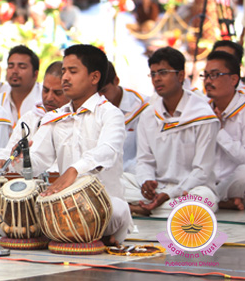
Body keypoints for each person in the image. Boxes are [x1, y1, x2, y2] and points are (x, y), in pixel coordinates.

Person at [6, 45, 131, 245]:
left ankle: (96, 234)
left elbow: (108, 151)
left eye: (73, 71)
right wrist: (23, 159)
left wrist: (74, 169)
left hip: (103, 206)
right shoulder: (55, 117)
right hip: (64, 207)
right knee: (22, 212)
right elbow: (38, 162)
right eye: (64, 71)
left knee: (117, 209)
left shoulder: (110, 114)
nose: (65, 77)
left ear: (94, 77)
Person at [124, 47, 219, 217]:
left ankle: (142, 209)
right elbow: (145, 159)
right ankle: (155, 207)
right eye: (153, 74)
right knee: (115, 182)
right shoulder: (149, 115)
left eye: (163, 72)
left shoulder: (202, 115)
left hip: (189, 189)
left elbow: (202, 170)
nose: (157, 79)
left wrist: (170, 194)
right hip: (159, 188)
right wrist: (147, 182)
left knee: (205, 199)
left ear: (181, 75)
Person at [0, 61, 69, 164]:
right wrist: (3, 161)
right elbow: (8, 152)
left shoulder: (73, 121)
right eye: (46, 90)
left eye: (57, 93)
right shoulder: (31, 117)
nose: (49, 98)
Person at [203, 51, 245, 211]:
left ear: (234, 79)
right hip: (208, 184)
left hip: (235, 182)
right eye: (205, 76)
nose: (207, 81)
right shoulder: (201, 108)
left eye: (214, 75)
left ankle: (219, 201)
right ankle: (220, 202)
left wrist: (219, 131)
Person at [99, 62, 149, 173]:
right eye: (95, 93)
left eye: (104, 91)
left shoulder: (143, 107)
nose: (100, 98)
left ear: (116, 81)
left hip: (134, 177)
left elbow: (147, 155)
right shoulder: (93, 106)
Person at [0, 45, 42, 126]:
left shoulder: (44, 99)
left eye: (22, 67)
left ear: (35, 74)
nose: (14, 71)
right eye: (11, 66)